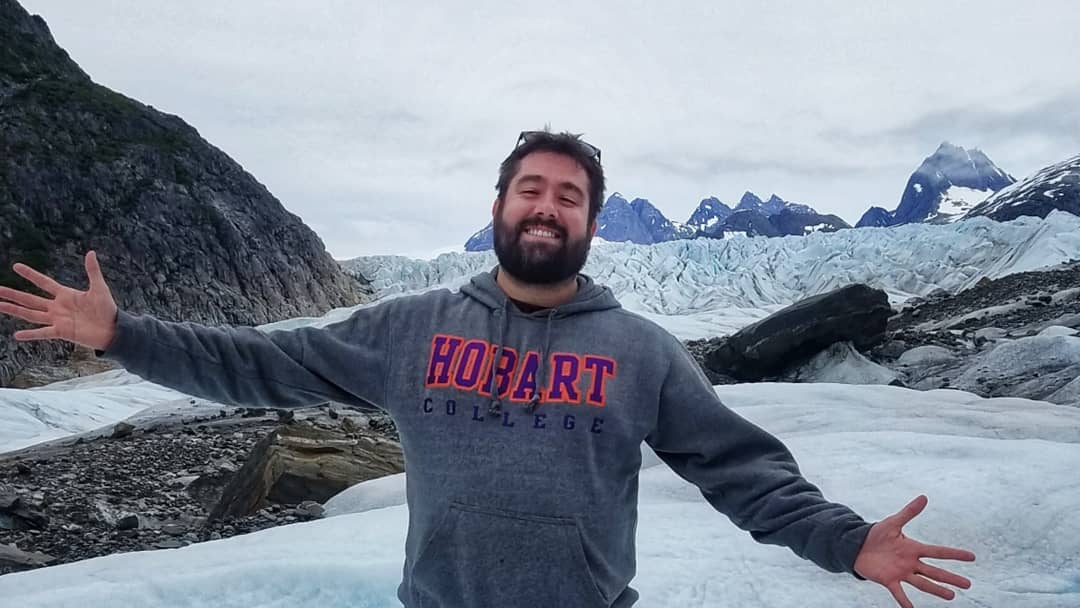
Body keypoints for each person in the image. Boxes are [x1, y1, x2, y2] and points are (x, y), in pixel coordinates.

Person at [0, 129, 974, 608]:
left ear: (589, 222)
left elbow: (742, 469)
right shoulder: (411, 327)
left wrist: (846, 541)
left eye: (570, 195)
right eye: (530, 188)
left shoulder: (638, 350)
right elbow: (257, 363)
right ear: (501, 206)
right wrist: (123, 333)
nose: (547, 206)